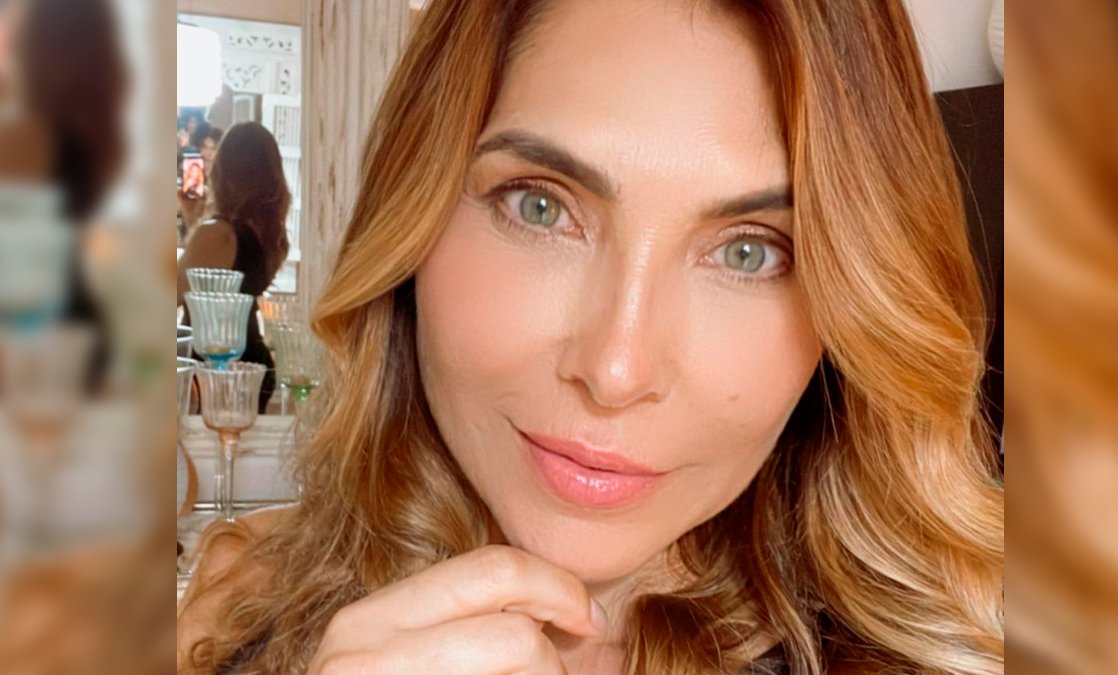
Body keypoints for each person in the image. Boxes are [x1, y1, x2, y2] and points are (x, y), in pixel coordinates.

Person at [178, 0, 1004, 674]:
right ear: (413, 217)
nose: (615, 369)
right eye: (540, 206)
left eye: (752, 252)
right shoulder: (240, 595)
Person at [177, 122, 290, 414]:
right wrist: (194, 220)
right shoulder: (270, 235)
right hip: (250, 364)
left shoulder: (219, 234)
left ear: (224, 172)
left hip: (212, 371)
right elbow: (224, 274)